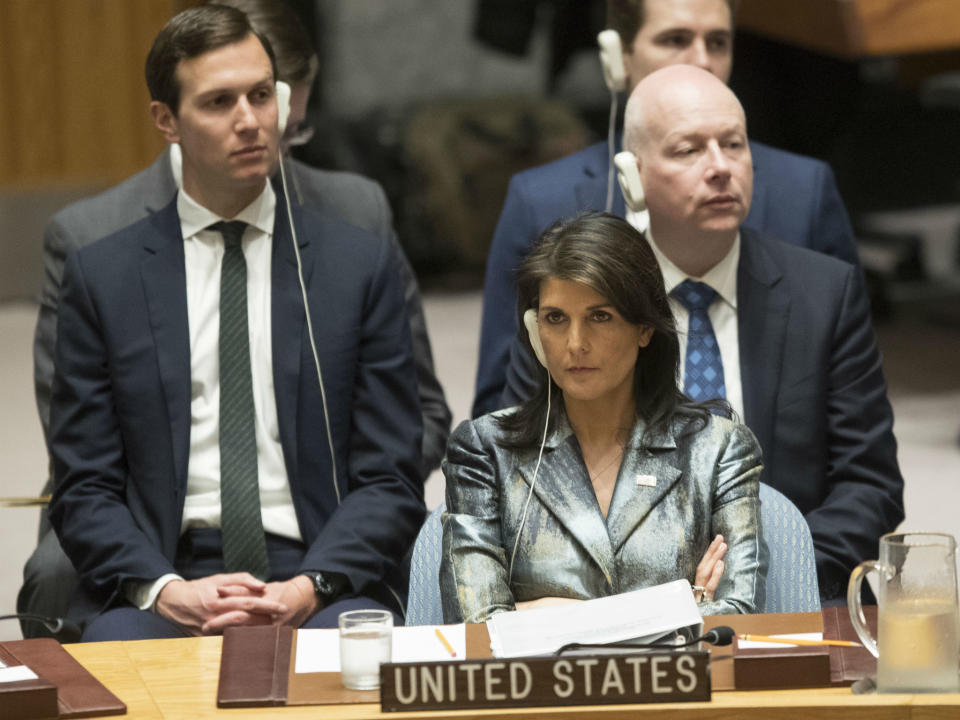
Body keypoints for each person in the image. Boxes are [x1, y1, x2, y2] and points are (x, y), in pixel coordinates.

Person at [19, 0, 450, 640]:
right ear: (166, 120)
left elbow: (390, 474)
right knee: (117, 662)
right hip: (168, 568)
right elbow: (83, 486)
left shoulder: (354, 261)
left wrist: (311, 584)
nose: (250, 121)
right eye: (219, 103)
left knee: (369, 666)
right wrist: (165, 590)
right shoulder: (103, 275)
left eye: (260, 95)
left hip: (317, 566)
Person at [502, 65, 904, 603]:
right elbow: (528, 474)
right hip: (607, 606)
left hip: (795, 588)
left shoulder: (823, 293)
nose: (720, 168)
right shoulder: (573, 302)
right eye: (688, 150)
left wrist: (760, 567)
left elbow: (871, 487)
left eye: (733, 145)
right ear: (631, 174)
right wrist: (653, 584)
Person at [473, 0, 860, 418]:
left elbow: (850, 391)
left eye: (717, 43)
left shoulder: (803, 189)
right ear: (618, 56)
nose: (701, 62)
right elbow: (501, 411)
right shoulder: (540, 201)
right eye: (675, 40)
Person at [440, 212, 767, 624]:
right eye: (556, 319)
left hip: (681, 689)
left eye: (600, 316)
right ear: (534, 330)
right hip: (535, 689)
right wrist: (684, 607)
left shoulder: (717, 449)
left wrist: (536, 613)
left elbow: (739, 619)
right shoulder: (485, 450)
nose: (575, 344)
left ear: (645, 328)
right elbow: (477, 629)